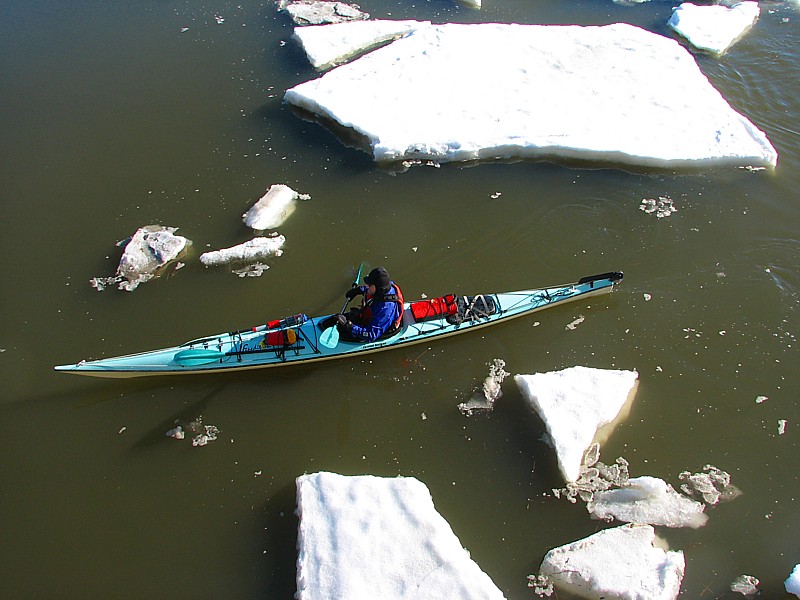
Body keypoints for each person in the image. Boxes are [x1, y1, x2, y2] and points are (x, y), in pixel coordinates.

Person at [323, 267, 405, 342]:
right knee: (331, 321)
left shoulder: (385, 310)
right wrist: (359, 290)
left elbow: (371, 335)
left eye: (369, 285)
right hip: (370, 319)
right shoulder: (384, 287)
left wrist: (348, 325)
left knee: (344, 328)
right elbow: (371, 290)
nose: (367, 286)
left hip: (376, 330)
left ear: (378, 288)